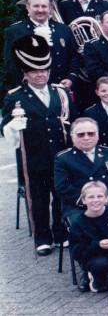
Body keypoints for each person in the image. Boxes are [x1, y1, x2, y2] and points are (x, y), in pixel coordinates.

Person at [2, 34, 77, 254]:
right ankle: (42, 238)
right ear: (25, 74)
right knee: (39, 199)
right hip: (34, 156)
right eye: (35, 71)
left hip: (60, 154)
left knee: (61, 196)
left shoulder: (60, 92)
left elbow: (72, 120)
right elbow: (5, 129)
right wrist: (14, 125)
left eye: (44, 70)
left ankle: (60, 232)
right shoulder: (15, 97)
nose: (40, 74)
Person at [53, 117, 108, 226]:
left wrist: (107, 197)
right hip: (79, 206)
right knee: (83, 228)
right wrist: (90, 200)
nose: (86, 137)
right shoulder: (63, 158)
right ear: (72, 138)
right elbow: (62, 187)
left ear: (97, 135)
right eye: (81, 134)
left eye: (91, 133)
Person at [3, 0, 79, 93]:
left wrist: (70, 78)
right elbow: (10, 62)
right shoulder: (14, 31)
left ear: (50, 8)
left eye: (44, 6)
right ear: (28, 8)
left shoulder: (64, 29)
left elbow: (74, 57)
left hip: (60, 87)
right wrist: (26, 81)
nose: (40, 10)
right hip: (29, 89)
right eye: (36, 6)